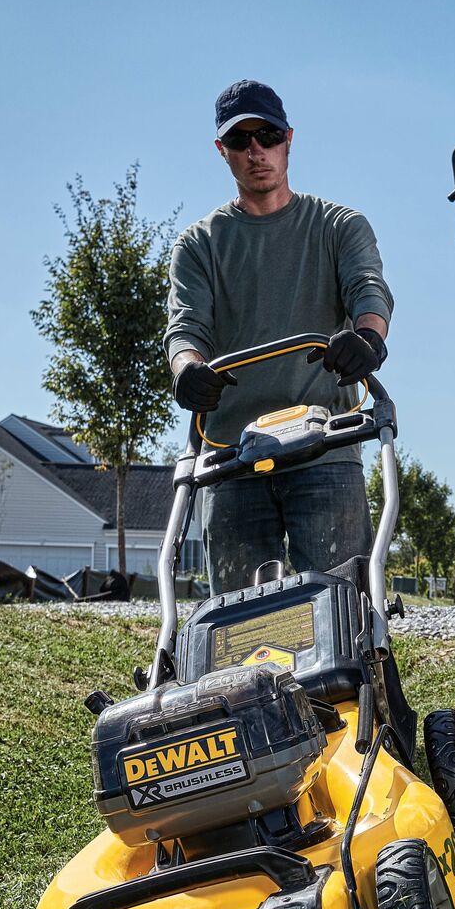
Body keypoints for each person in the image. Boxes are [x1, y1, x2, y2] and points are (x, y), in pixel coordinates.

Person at [166, 78, 394, 592]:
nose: (256, 151)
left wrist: (368, 340)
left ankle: (357, 673)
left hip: (324, 447)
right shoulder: (199, 246)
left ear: (289, 138)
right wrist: (186, 369)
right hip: (231, 453)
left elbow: (369, 291)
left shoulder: (338, 226)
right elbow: (187, 326)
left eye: (267, 136)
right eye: (241, 141)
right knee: (235, 617)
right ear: (222, 151)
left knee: (346, 604)